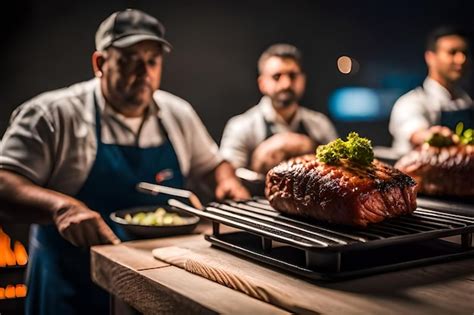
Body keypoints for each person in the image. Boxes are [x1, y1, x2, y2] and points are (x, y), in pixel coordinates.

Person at [0, 9, 249, 315]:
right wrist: (60, 207)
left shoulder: (177, 114)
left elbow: (213, 166)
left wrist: (227, 184)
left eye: (152, 60)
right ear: (100, 63)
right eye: (129, 59)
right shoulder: (52, 115)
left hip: (154, 292)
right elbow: (4, 182)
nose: (144, 71)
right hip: (71, 291)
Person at [220, 43, 337, 175]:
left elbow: (338, 170)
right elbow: (228, 177)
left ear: (302, 80)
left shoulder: (321, 125)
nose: (286, 84)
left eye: (292, 76)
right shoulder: (240, 127)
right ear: (262, 83)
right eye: (276, 76)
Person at [389, 26, 473, 154]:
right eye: (452, 52)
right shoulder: (410, 103)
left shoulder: (467, 101)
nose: (461, 59)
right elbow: (414, 131)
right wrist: (432, 136)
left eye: (465, 53)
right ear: (430, 57)